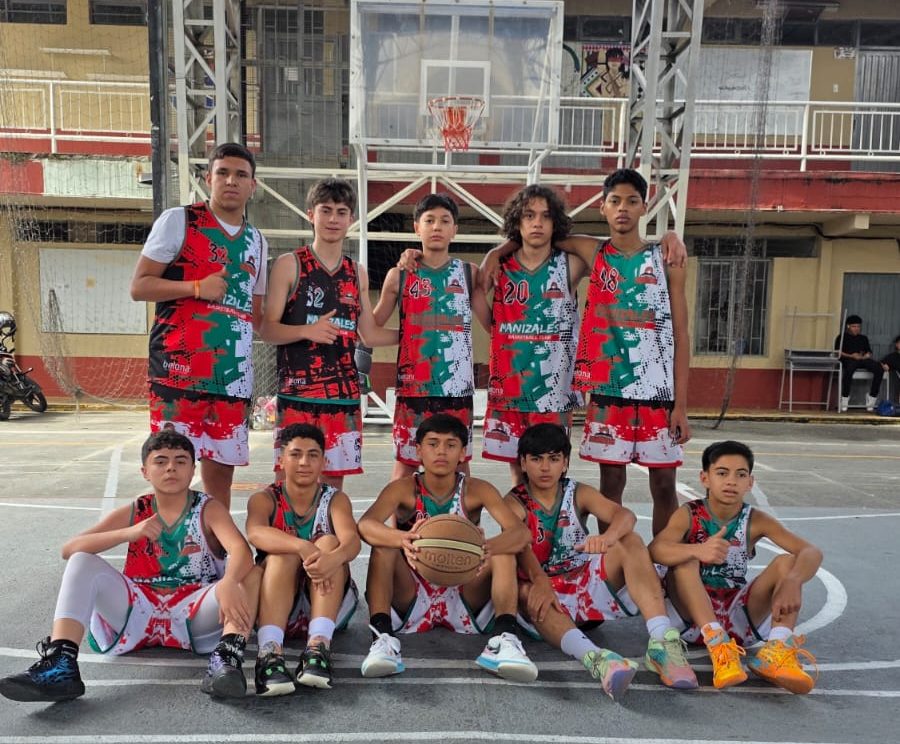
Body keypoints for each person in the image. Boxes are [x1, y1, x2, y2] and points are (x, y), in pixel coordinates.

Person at [477, 171, 688, 535]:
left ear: (644, 207)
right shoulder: (594, 251)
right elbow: (537, 235)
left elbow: (682, 335)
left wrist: (670, 235)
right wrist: (497, 251)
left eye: (632, 201)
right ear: (603, 207)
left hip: (657, 392)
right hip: (608, 389)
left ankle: (664, 558)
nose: (623, 209)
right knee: (610, 484)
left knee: (665, 485)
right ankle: (608, 556)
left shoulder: (665, 259)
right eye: (615, 201)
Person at [0, 430, 260, 703]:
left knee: (251, 574)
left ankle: (226, 659)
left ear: (193, 470)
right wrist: (129, 533)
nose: (171, 467)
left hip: (194, 609)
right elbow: (70, 548)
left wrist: (229, 581)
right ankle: (61, 663)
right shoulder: (138, 509)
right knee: (81, 560)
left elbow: (241, 550)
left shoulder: (208, 508)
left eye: (181, 461)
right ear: (145, 472)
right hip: (139, 609)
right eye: (161, 461)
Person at [492, 423, 697, 701]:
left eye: (554, 458)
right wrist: (540, 581)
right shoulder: (514, 502)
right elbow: (520, 546)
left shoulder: (578, 492)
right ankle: (597, 659)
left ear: (565, 463)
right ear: (523, 463)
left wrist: (608, 537)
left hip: (583, 587)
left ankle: (662, 642)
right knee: (526, 590)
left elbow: (625, 516)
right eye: (536, 459)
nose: (545, 467)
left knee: (630, 541)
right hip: (544, 594)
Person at [130, 142, 268, 510]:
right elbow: (139, 286)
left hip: (232, 380)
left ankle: (214, 546)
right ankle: (169, 546)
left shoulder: (257, 241)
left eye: (241, 175)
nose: (231, 181)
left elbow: (256, 316)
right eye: (223, 173)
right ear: (208, 178)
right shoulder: (179, 221)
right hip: (178, 375)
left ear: (253, 185)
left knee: (220, 485)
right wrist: (195, 288)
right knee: (171, 477)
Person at [356, 413, 532, 680]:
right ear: (418, 451)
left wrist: (486, 548)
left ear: (462, 453)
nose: (441, 451)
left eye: (450, 445)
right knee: (384, 545)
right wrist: (401, 539)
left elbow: (520, 533)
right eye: (433, 444)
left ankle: (504, 639)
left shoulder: (478, 489)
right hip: (413, 591)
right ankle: (382, 638)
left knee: (503, 550)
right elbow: (366, 525)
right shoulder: (403, 489)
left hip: (464, 588)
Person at [650, 440, 822, 693]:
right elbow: (655, 549)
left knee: (787, 563)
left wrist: (793, 581)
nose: (731, 481)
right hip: (691, 619)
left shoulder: (756, 520)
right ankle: (717, 644)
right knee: (685, 561)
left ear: (750, 482)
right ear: (705, 478)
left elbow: (810, 551)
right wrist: (697, 550)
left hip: (737, 620)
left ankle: (776, 651)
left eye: (740, 475)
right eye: (722, 473)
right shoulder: (689, 513)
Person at [260, 178, 397, 490]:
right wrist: (306, 330)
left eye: (341, 212)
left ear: (351, 219)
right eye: (326, 210)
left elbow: (369, 335)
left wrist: (414, 334)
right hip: (298, 395)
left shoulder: (357, 272)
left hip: (342, 397)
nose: (333, 218)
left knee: (332, 490)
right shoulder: (289, 264)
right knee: (288, 485)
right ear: (311, 214)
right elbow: (267, 329)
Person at [373, 193, 488, 481]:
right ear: (416, 227)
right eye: (429, 220)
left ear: (454, 230)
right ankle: (399, 516)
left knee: (459, 467)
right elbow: (370, 331)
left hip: (457, 389)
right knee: (405, 466)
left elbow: (493, 325)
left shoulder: (469, 273)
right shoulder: (398, 275)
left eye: (445, 221)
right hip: (414, 389)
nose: (437, 226)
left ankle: (461, 515)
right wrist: (409, 336)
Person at [481, 185, 587, 485]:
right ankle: (522, 518)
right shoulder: (500, 267)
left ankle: (551, 519)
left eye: (546, 216)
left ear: (556, 223)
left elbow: (613, 251)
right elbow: (474, 294)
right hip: (510, 386)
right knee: (519, 472)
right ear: (517, 221)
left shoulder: (570, 264)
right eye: (529, 216)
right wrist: (496, 328)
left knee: (552, 471)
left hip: (554, 390)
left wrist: (669, 237)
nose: (537, 223)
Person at [246, 423, 361, 695]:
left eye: (313, 455)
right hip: (274, 604)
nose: (304, 462)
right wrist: (300, 546)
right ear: (281, 459)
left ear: (324, 461)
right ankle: (269, 653)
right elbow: (255, 532)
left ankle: (318, 648)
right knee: (282, 555)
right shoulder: (264, 498)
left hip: (325, 604)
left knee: (329, 543)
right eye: (295, 454)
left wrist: (334, 558)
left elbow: (352, 541)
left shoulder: (335, 499)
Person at [834, 314, 884, 412]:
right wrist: (851, 355)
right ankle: (845, 398)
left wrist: (867, 355)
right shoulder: (842, 337)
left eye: (858, 326)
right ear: (848, 326)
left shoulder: (863, 338)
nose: (856, 329)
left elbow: (868, 351)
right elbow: (838, 352)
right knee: (849, 370)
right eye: (854, 326)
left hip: (862, 359)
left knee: (879, 368)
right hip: (849, 359)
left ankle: (872, 398)